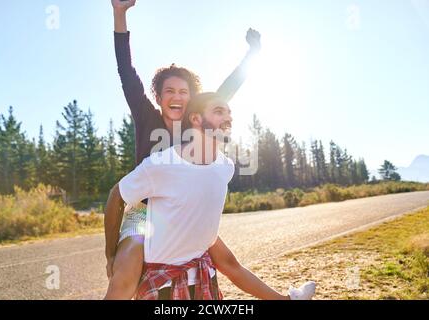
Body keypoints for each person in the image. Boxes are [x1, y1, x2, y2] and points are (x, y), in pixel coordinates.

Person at [105, 0, 316, 300]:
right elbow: (126, 70)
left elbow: (229, 87)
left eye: (183, 92)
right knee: (124, 275)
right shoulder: (146, 115)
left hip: (182, 210)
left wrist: (252, 55)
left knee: (228, 261)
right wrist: (119, 14)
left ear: (192, 101)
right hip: (145, 211)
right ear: (159, 96)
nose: (176, 97)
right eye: (169, 91)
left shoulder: (198, 124)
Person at [106, 92, 316, 299]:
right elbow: (117, 195)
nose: (228, 118)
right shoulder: (161, 165)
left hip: (204, 278)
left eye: (229, 113)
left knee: (230, 262)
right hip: (164, 287)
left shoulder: (225, 167)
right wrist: (111, 253)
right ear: (196, 119)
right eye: (219, 111)